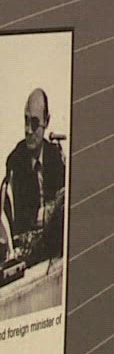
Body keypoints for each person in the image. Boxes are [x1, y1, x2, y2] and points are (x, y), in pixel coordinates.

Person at [4, 88, 65, 264]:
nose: (28, 130)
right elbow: (22, 221)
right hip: (30, 255)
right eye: (26, 121)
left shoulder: (55, 156)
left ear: (47, 121)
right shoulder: (15, 161)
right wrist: (50, 211)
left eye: (35, 123)